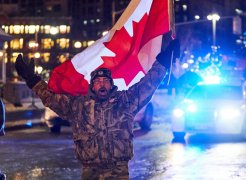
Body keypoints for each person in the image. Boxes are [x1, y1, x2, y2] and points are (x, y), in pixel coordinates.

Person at [15, 40, 179, 179]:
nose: (102, 84)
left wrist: (165, 60)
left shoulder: (126, 102)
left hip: (118, 172)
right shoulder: (78, 106)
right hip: (90, 172)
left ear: (111, 84)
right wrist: (32, 79)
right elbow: (50, 98)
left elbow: (148, 84)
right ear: (92, 85)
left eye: (105, 81)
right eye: (98, 81)